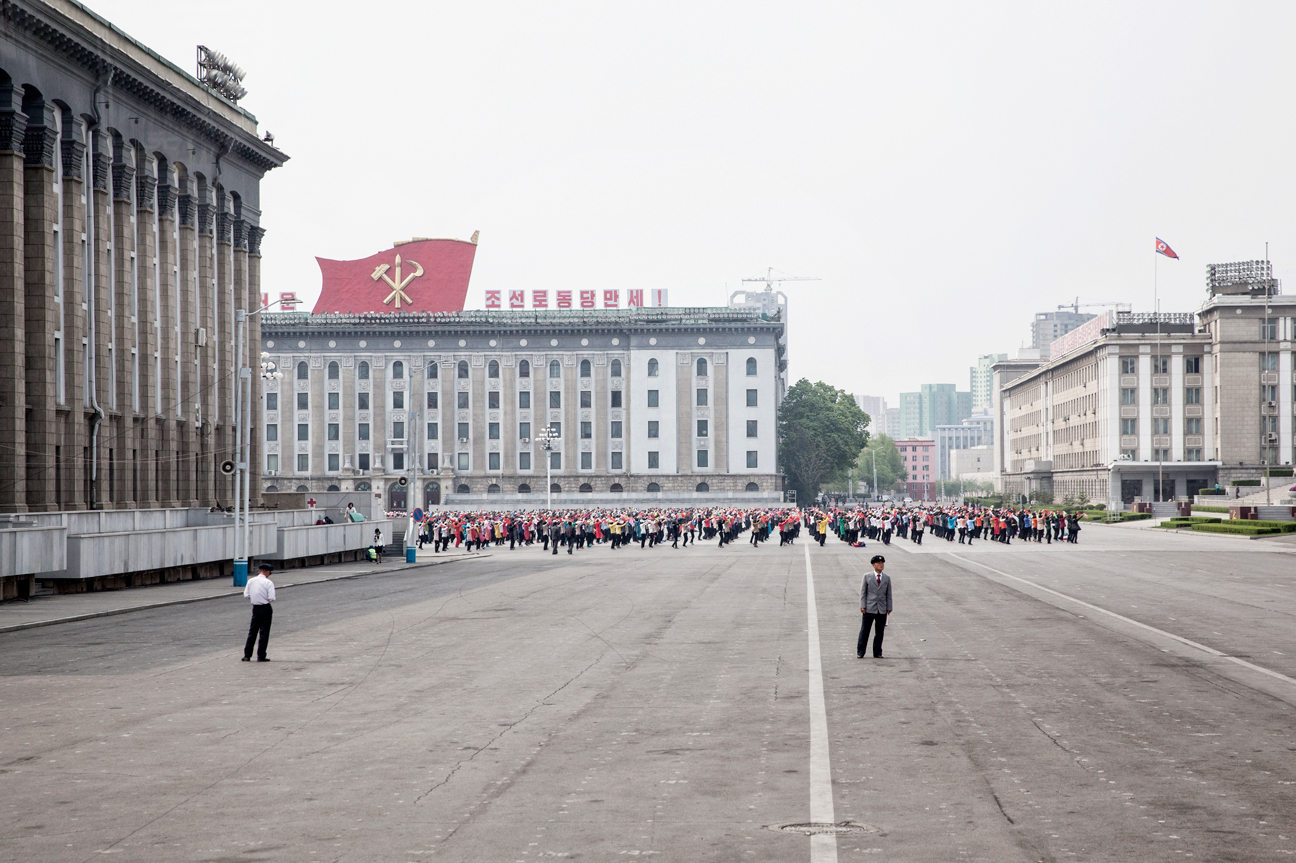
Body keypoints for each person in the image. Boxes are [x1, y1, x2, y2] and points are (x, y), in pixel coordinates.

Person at [858, 554, 893, 659]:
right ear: (873, 565)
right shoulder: (867, 576)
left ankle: (877, 652)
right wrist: (862, 606)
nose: (881, 565)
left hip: (881, 609)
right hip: (869, 608)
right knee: (865, 631)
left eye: (882, 563)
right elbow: (863, 592)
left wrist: (889, 607)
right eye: (878, 563)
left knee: (879, 632)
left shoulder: (887, 578)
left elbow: (888, 594)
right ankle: (861, 651)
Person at [242, 563, 276, 662]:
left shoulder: (251, 581)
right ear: (268, 572)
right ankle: (261, 655)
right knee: (264, 632)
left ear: (259, 571)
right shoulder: (268, 582)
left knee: (252, 631)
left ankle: (247, 655)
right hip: (265, 608)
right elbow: (271, 597)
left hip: (255, 608)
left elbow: (246, 595)